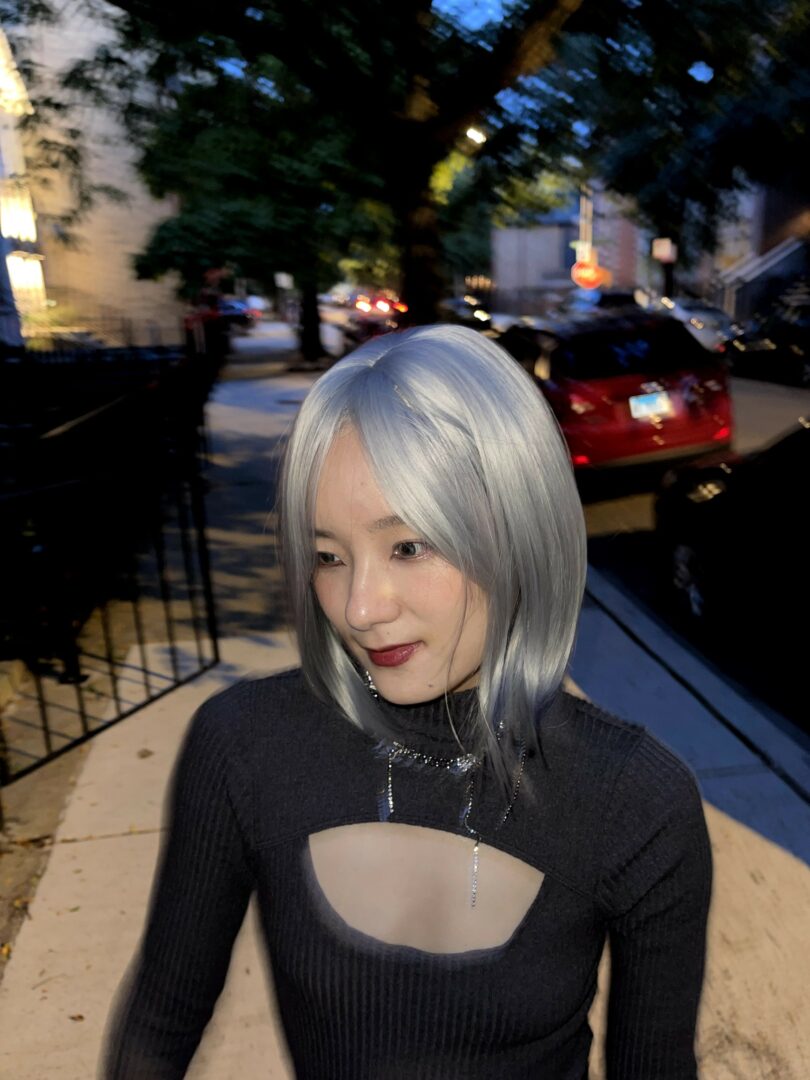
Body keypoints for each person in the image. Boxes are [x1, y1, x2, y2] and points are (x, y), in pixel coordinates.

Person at [102, 324, 712, 1079]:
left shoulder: (634, 802)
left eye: (409, 547)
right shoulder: (244, 748)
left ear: (520, 531)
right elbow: (159, 1023)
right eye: (328, 556)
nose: (360, 607)